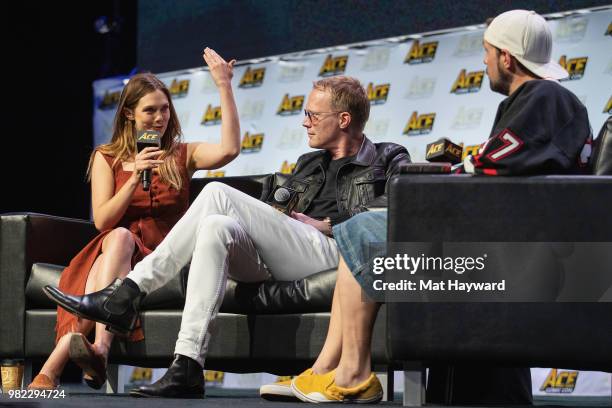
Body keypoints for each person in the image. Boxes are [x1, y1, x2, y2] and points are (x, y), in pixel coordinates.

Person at [267, 9, 592, 404]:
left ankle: (353, 373)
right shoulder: (545, 99)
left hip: (517, 256)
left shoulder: (545, 96)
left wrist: (452, 173)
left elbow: (497, 161)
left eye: (487, 52)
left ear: (507, 57)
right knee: (367, 228)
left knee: (366, 230)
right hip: (514, 245)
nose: (484, 62)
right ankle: (331, 371)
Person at [43, 75, 411, 398]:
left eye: (314, 115)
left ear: (344, 119)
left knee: (217, 195)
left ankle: (127, 293)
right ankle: (187, 364)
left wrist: (325, 226)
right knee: (216, 226)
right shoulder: (308, 164)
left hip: (337, 252)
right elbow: (275, 217)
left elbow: (385, 219)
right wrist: (286, 220)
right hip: (290, 253)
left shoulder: (387, 156)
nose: (305, 123)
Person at [27, 48, 240, 390]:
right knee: (118, 238)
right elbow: (103, 220)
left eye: (165, 109)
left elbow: (229, 149)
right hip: (119, 248)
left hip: (166, 254)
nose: (160, 118)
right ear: (129, 113)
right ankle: (100, 349)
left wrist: (224, 86)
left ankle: (53, 368)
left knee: (110, 255)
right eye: (150, 111)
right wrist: (134, 176)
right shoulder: (106, 157)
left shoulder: (182, 155)